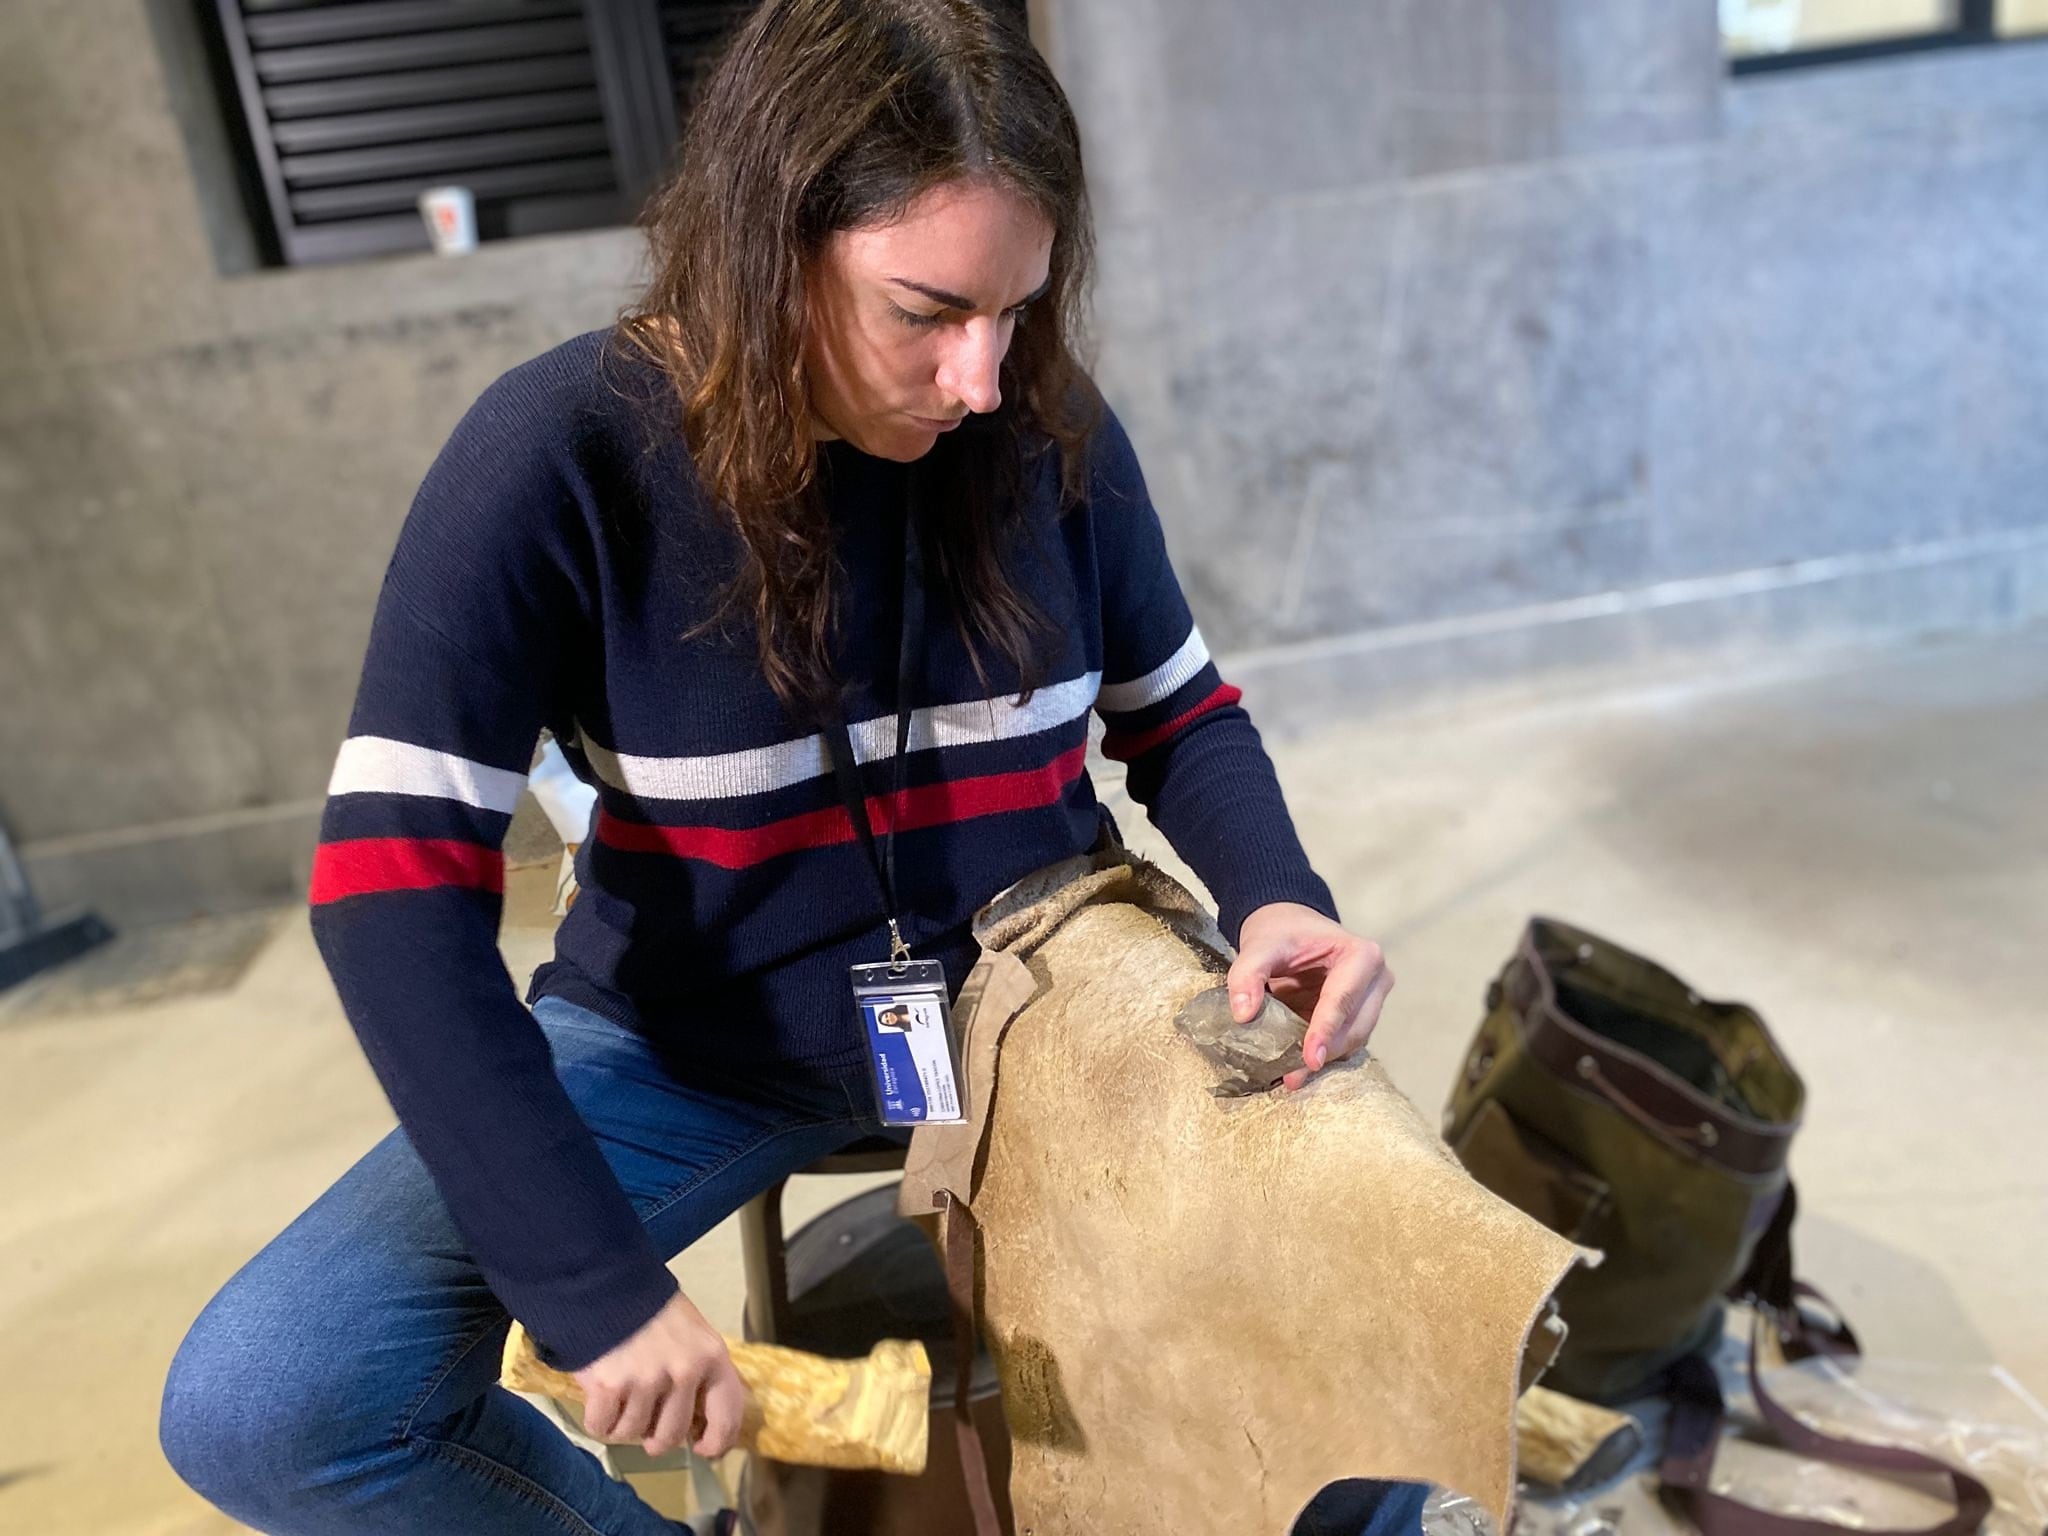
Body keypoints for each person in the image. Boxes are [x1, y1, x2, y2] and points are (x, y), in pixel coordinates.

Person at [159, 2, 1402, 1532]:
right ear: (766, 239)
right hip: (689, 1044)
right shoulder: (555, 458)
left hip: (1054, 1005)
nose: (982, 382)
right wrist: (591, 1286)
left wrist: (1281, 898)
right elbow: (385, 894)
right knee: (270, 1401)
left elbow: (1181, 715)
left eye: (1015, 313)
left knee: (1385, 1273)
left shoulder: (1046, 434)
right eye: (925, 312)